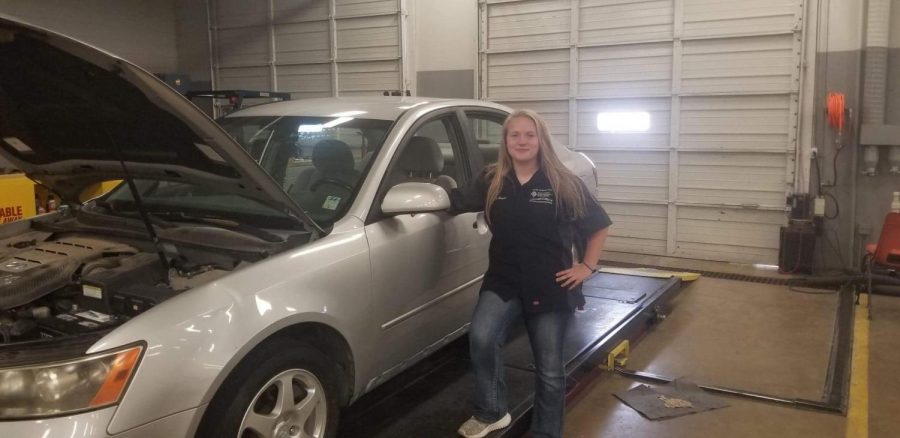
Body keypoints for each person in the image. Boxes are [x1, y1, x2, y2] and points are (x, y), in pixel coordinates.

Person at [451, 109, 611, 438]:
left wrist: (586, 266)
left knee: (550, 369)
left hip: (551, 284)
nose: (522, 141)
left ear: (541, 141)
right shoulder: (491, 179)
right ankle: (491, 411)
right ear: (505, 141)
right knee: (481, 338)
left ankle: (546, 433)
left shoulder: (563, 183)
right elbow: (451, 200)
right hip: (503, 280)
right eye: (515, 135)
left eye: (529, 135)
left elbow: (598, 226)